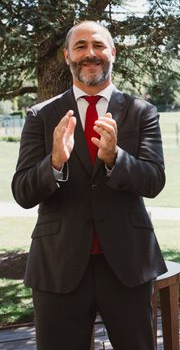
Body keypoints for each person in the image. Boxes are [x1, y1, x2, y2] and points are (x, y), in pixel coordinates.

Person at [12, 21, 166, 350]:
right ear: (67, 55)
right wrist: (53, 162)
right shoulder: (41, 115)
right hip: (59, 267)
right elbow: (22, 192)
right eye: (80, 46)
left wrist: (115, 158)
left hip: (127, 265)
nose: (90, 53)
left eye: (98, 45)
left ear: (113, 52)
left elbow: (154, 180)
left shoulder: (142, 113)